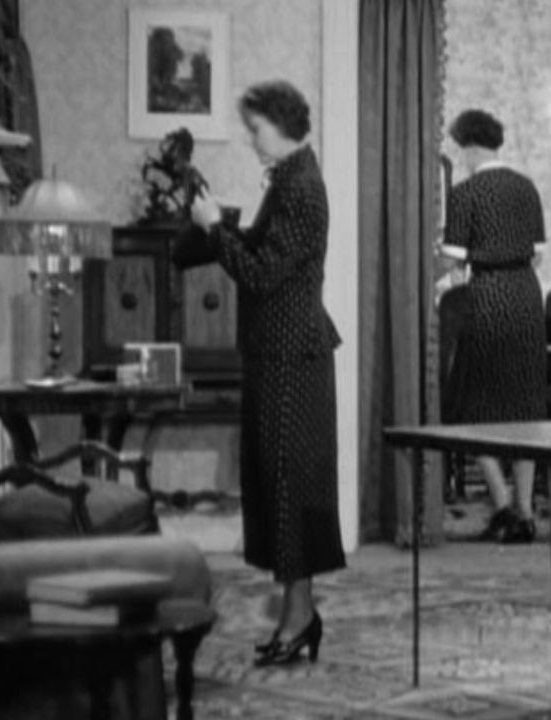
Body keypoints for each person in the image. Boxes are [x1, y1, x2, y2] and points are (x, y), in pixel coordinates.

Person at [187, 80, 345, 666]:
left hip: (292, 357)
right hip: (279, 353)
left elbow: (259, 273)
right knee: (281, 488)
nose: (252, 140)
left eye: (256, 129)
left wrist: (213, 229)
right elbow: (260, 247)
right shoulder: (290, 179)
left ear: (281, 124)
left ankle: (299, 619)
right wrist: (217, 224)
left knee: (289, 488)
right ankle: (298, 616)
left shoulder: (301, 187)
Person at [440, 109, 547, 543]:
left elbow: (452, 260)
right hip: (526, 297)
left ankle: (503, 505)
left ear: (466, 147)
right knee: (524, 406)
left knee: (474, 405)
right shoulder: (526, 187)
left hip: (487, 297)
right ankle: (526, 510)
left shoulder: (465, 193)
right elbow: (538, 254)